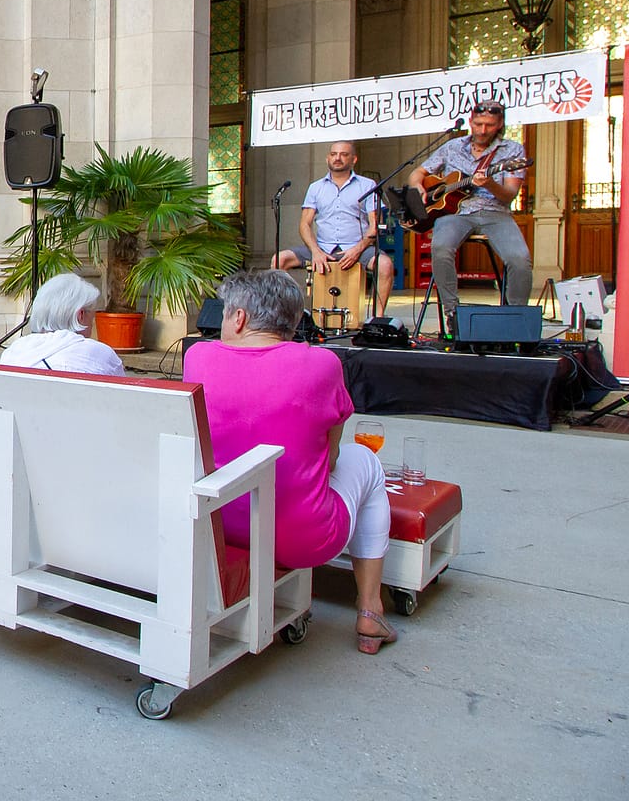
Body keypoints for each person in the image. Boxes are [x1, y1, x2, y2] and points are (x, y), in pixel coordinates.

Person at [182, 270, 396, 655]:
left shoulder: (198, 357)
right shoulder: (322, 364)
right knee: (366, 461)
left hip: (214, 526)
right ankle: (370, 609)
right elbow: (331, 459)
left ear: (239, 318)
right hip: (301, 540)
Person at [406, 101, 532, 333]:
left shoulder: (513, 151)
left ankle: (516, 318)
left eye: (489, 125)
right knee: (441, 247)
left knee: (520, 259)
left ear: (500, 125)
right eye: (478, 124)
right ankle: (453, 314)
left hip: (495, 212)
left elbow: (509, 195)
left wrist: (490, 184)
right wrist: (418, 187)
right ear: (471, 121)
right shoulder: (452, 146)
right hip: (455, 213)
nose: (482, 130)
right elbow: (418, 172)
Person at [271, 141, 393, 319]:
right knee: (279, 260)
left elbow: (375, 225)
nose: (338, 158)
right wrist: (315, 251)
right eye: (334, 154)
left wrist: (357, 250)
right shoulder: (316, 187)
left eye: (344, 154)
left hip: (357, 248)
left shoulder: (368, 185)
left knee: (385, 265)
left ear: (354, 159)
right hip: (323, 247)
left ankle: (377, 319)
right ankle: (287, 316)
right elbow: (304, 224)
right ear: (327, 158)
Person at [0, 273, 124, 375]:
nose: (92, 326)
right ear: (80, 315)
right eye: (92, 319)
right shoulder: (100, 354)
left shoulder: (13, 352)